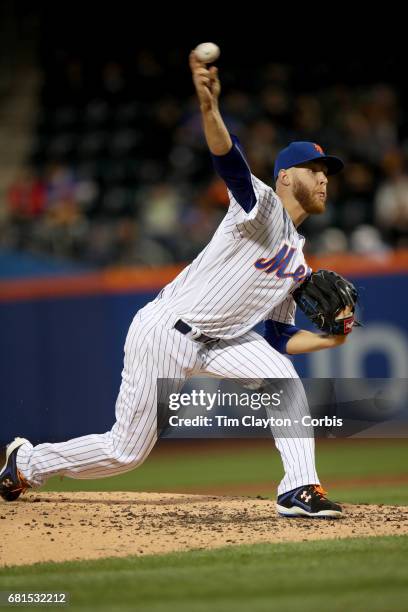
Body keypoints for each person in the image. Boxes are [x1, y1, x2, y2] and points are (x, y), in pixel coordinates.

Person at [0, 51, 353, 518]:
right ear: (287, 176)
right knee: (126, 452)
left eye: (328, 173)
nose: (325, 179)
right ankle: (27, 461)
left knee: (281, 377)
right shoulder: (262, 206)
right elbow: (229, 161)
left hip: (222, 342)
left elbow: (275, 336)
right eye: (316, 170)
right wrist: (209, 109)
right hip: (166, 330)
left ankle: (299, 488)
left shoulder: (299, 262)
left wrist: (330, 338)